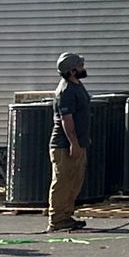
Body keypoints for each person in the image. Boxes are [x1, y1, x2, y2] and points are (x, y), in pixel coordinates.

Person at [47, 51, 90, 233]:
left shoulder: (78, 86)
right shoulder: (65, 91)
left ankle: (66, 215)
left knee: (75, 180)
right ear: (72, 71)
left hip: (80, 143)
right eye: (80, 66)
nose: (83, 68)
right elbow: (67, 119)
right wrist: (73, 143)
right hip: (65, 145)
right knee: (63, 181)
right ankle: (56, 218)